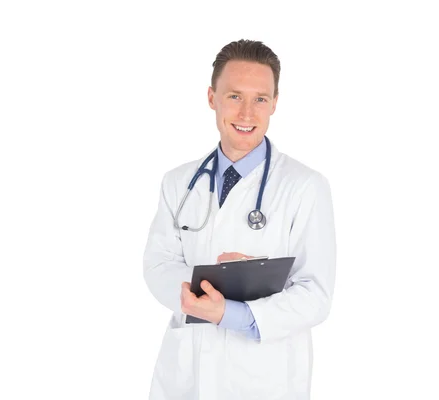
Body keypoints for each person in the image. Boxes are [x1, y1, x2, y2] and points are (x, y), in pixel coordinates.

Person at [142, 39, 336, 400]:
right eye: (234, 96)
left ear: (275, 103)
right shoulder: (178, 182)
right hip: (187, 377)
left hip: (265, 378)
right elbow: (157, 265)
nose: (247, 113)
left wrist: (231, 312)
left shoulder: (305, 186)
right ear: (212, 97)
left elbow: (316, 294)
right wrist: (210, 294)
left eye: (260, 99)